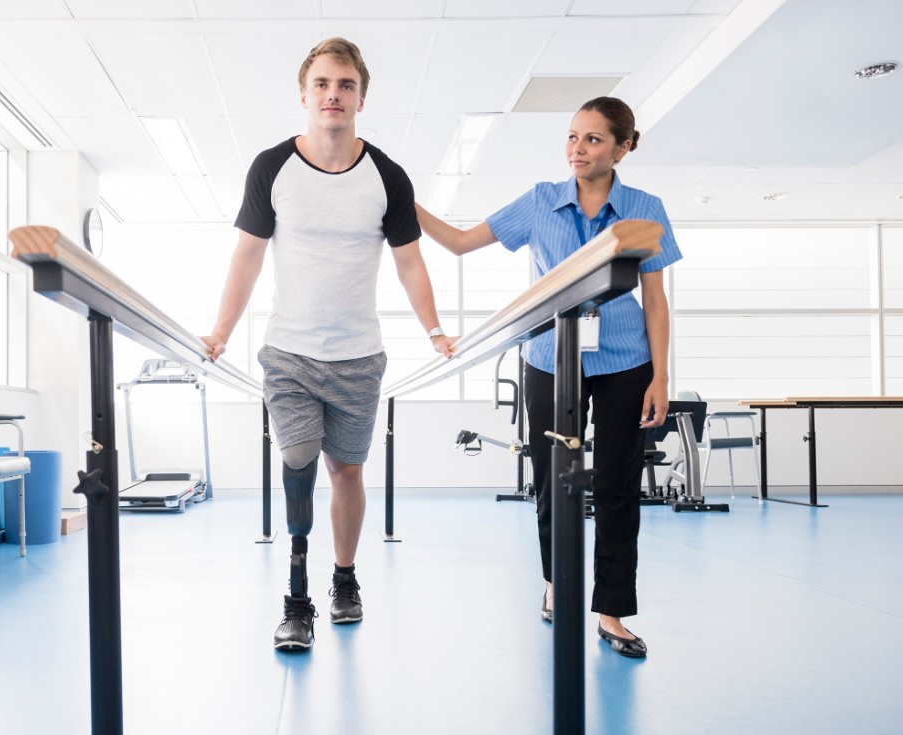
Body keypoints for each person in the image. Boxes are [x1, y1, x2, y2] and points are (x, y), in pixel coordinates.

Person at [201, 37, 456, 652]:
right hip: (289, 351)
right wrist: (221, 332)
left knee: (346, 470)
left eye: (345, 85)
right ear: (304, 94)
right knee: (297, 457)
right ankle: (296, 598)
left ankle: (344, 578)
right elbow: (247, 255)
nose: (333, 94)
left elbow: (411, 263)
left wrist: (435, 331)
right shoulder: (272, 167)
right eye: (322, 83)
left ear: (361, 98)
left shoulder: (387, 176)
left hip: (359, 356)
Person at [415, 97, 680, 658]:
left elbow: (655, 300)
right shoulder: (541, 202)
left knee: (617, 486)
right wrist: (402, 201)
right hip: (549, 358)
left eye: (593, 139)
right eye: (572, 137)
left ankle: (611, 612)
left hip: (625, 361)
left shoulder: (644, 209)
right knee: (553, 480)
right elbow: (460, 243)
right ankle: (557, 582)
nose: (577, 149)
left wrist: (661, 376)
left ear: (623, 148)